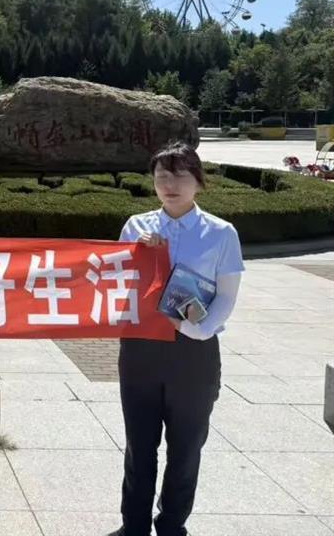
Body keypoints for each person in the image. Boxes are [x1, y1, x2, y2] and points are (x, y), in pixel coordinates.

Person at [108, 141, 244, 536]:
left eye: (181, 175)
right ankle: (133, 526)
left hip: (194, 353)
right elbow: (118, 281)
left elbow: (226, 296)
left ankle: (171, 525)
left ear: (198, 181)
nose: (170, 184)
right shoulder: (136, 227)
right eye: (162, 175)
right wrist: (138, 254)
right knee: (139, 445)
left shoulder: (220, 233)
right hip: (141, 349)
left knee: (186, 448)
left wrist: (197, 329)